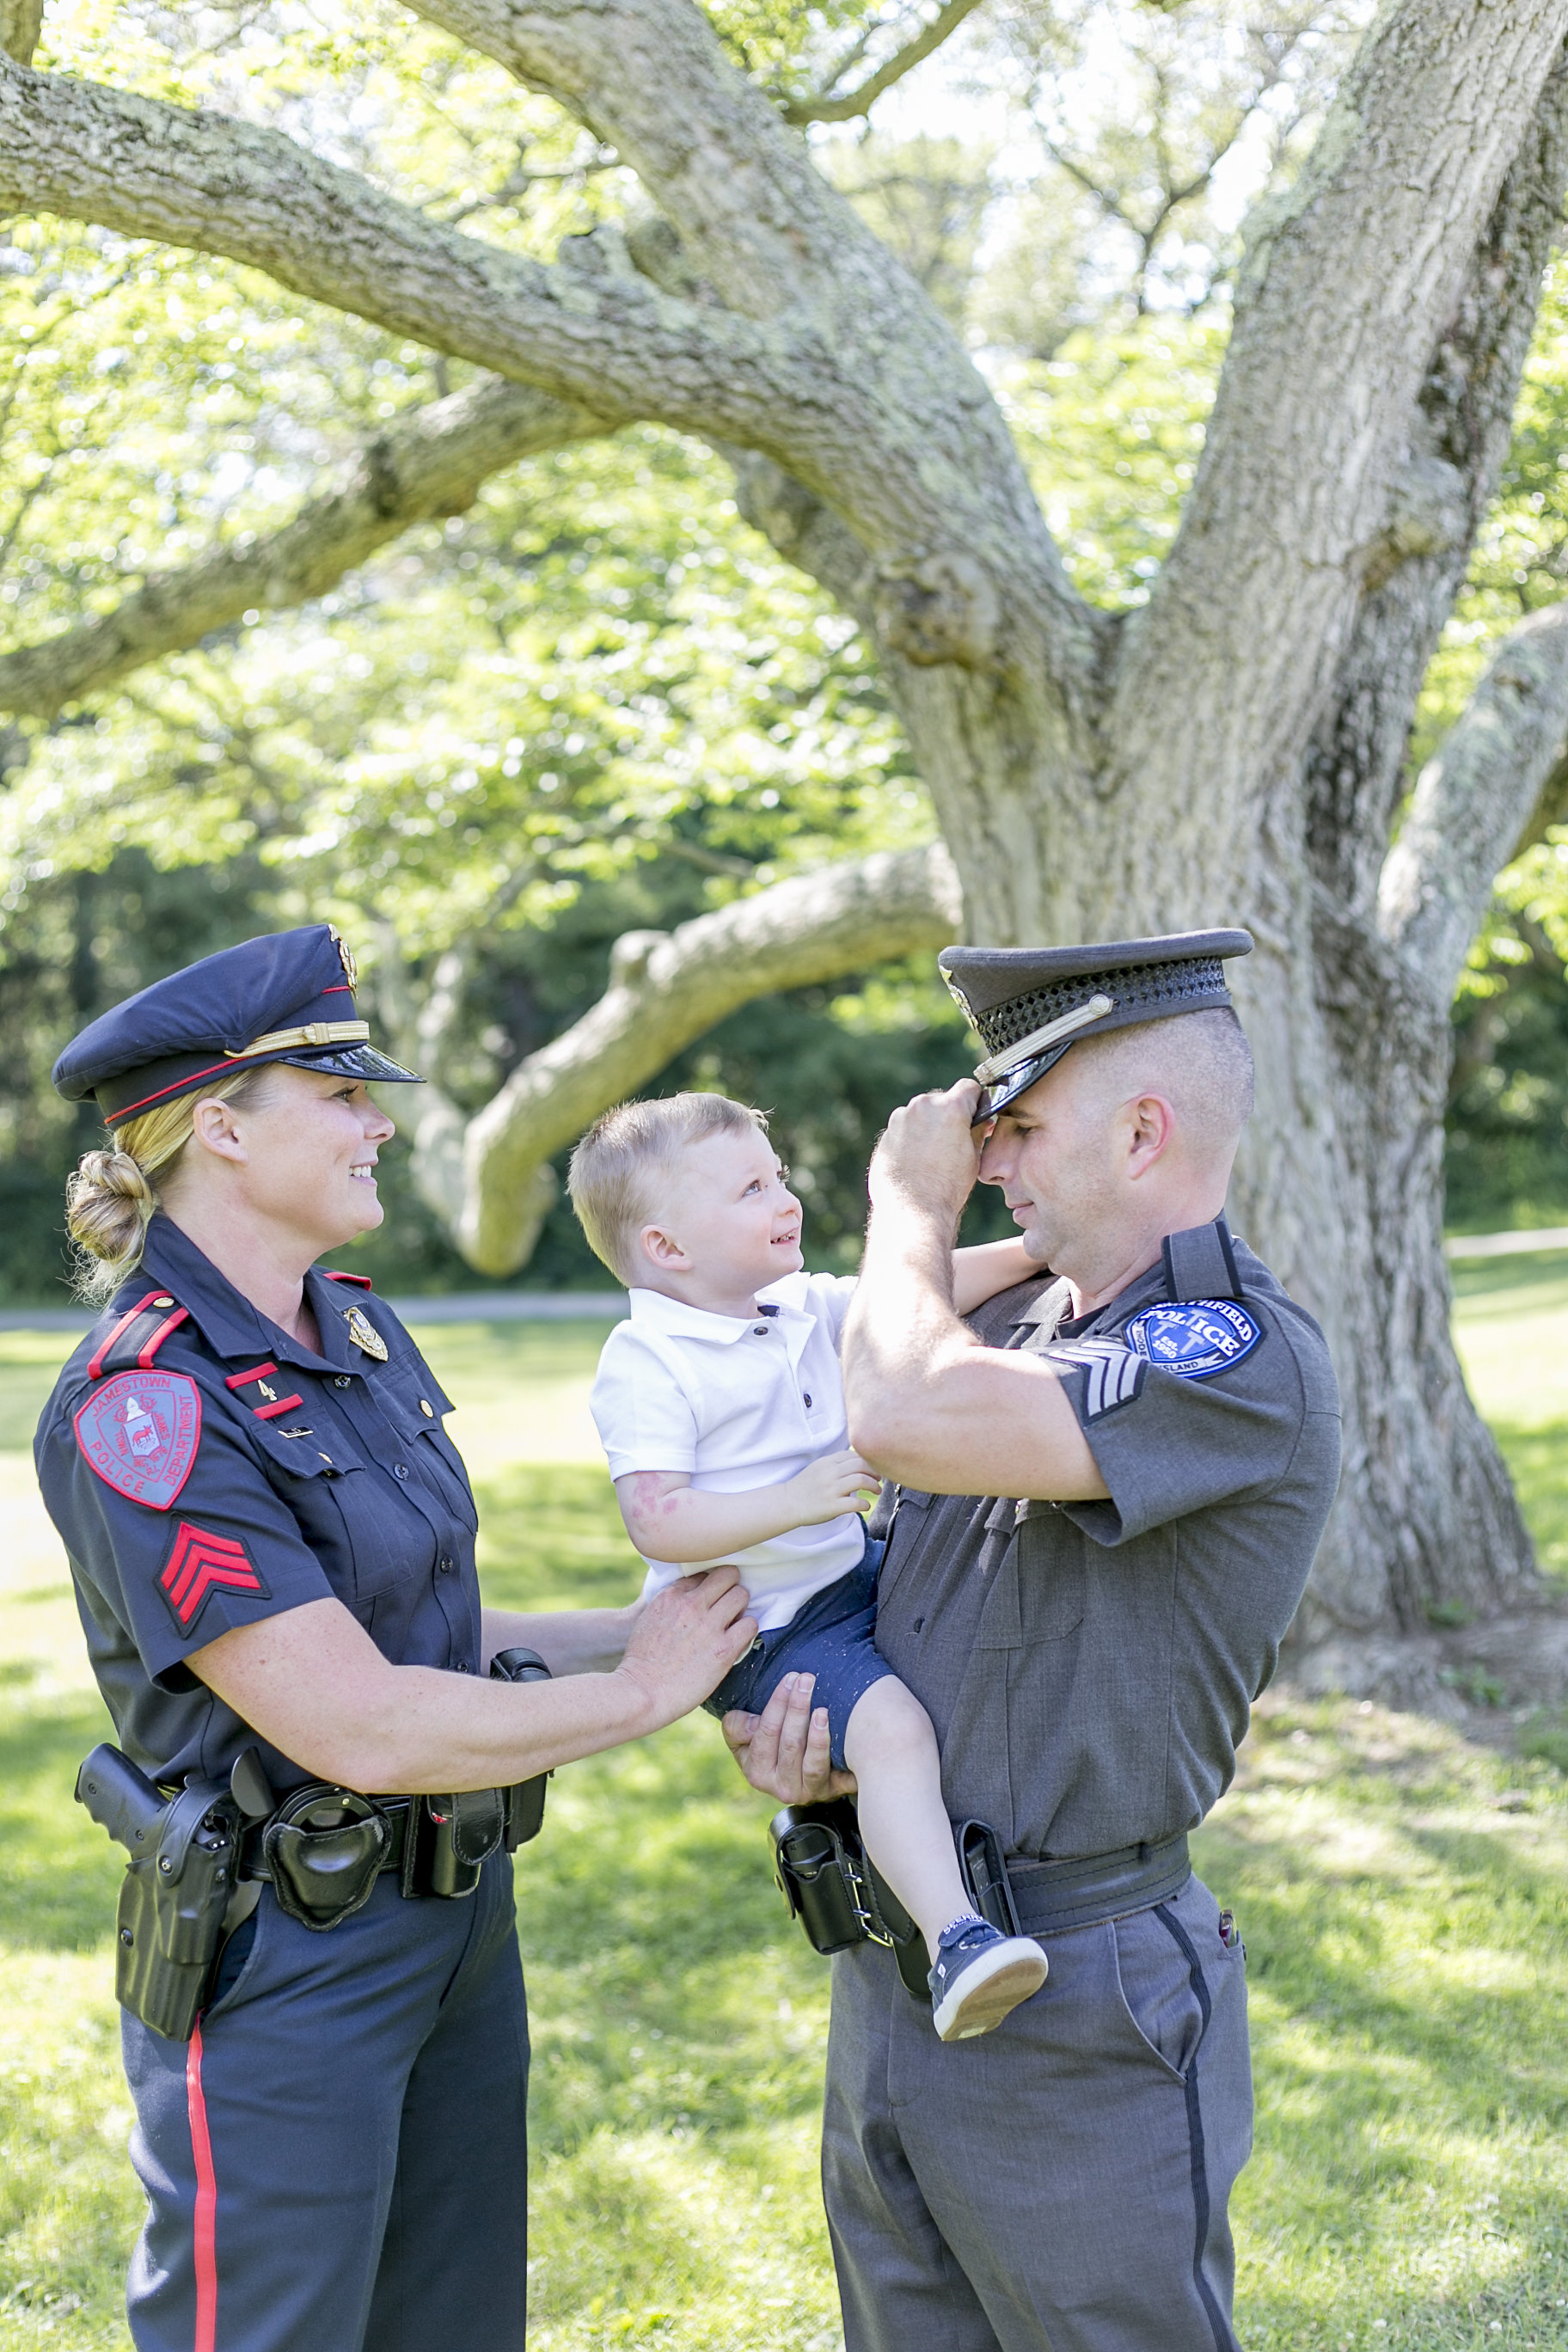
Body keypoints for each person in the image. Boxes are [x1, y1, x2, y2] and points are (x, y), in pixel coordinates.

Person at [34, 923, 756, 2352]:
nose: (379, 1120)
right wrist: (638, 1695)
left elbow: (423, 1625)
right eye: (341, 1094)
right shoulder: (149, 1403)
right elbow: (354, 1717)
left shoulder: (353, 1332)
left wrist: (656, 1629)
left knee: (448, 2324)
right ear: (223, 1128)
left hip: (450, 1918)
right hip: (281, 1962)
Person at [725, 929, 1343, 2352]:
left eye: (1021, 1127)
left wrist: (902, 1205)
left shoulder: (1227, 1348)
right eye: (976, 1136)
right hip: (904, 1962)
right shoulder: (1007, 1319)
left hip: (1078, 1992)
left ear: (1141, 1132)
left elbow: (898, 1415)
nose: (987, 1160)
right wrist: (822, 1735)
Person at [567, 1093, 1050, 2038]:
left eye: (777, 1176)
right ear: (667, 1248)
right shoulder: (649, 1360)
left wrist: (1047, 1250)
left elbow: (924, 1285)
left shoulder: (794, 1305)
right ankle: (955, 1937)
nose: (783, 1197)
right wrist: (797, 1498)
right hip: (765, 1624)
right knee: (896, 1731)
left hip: (841, 1569)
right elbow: (657, 1520)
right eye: (751, 1188)